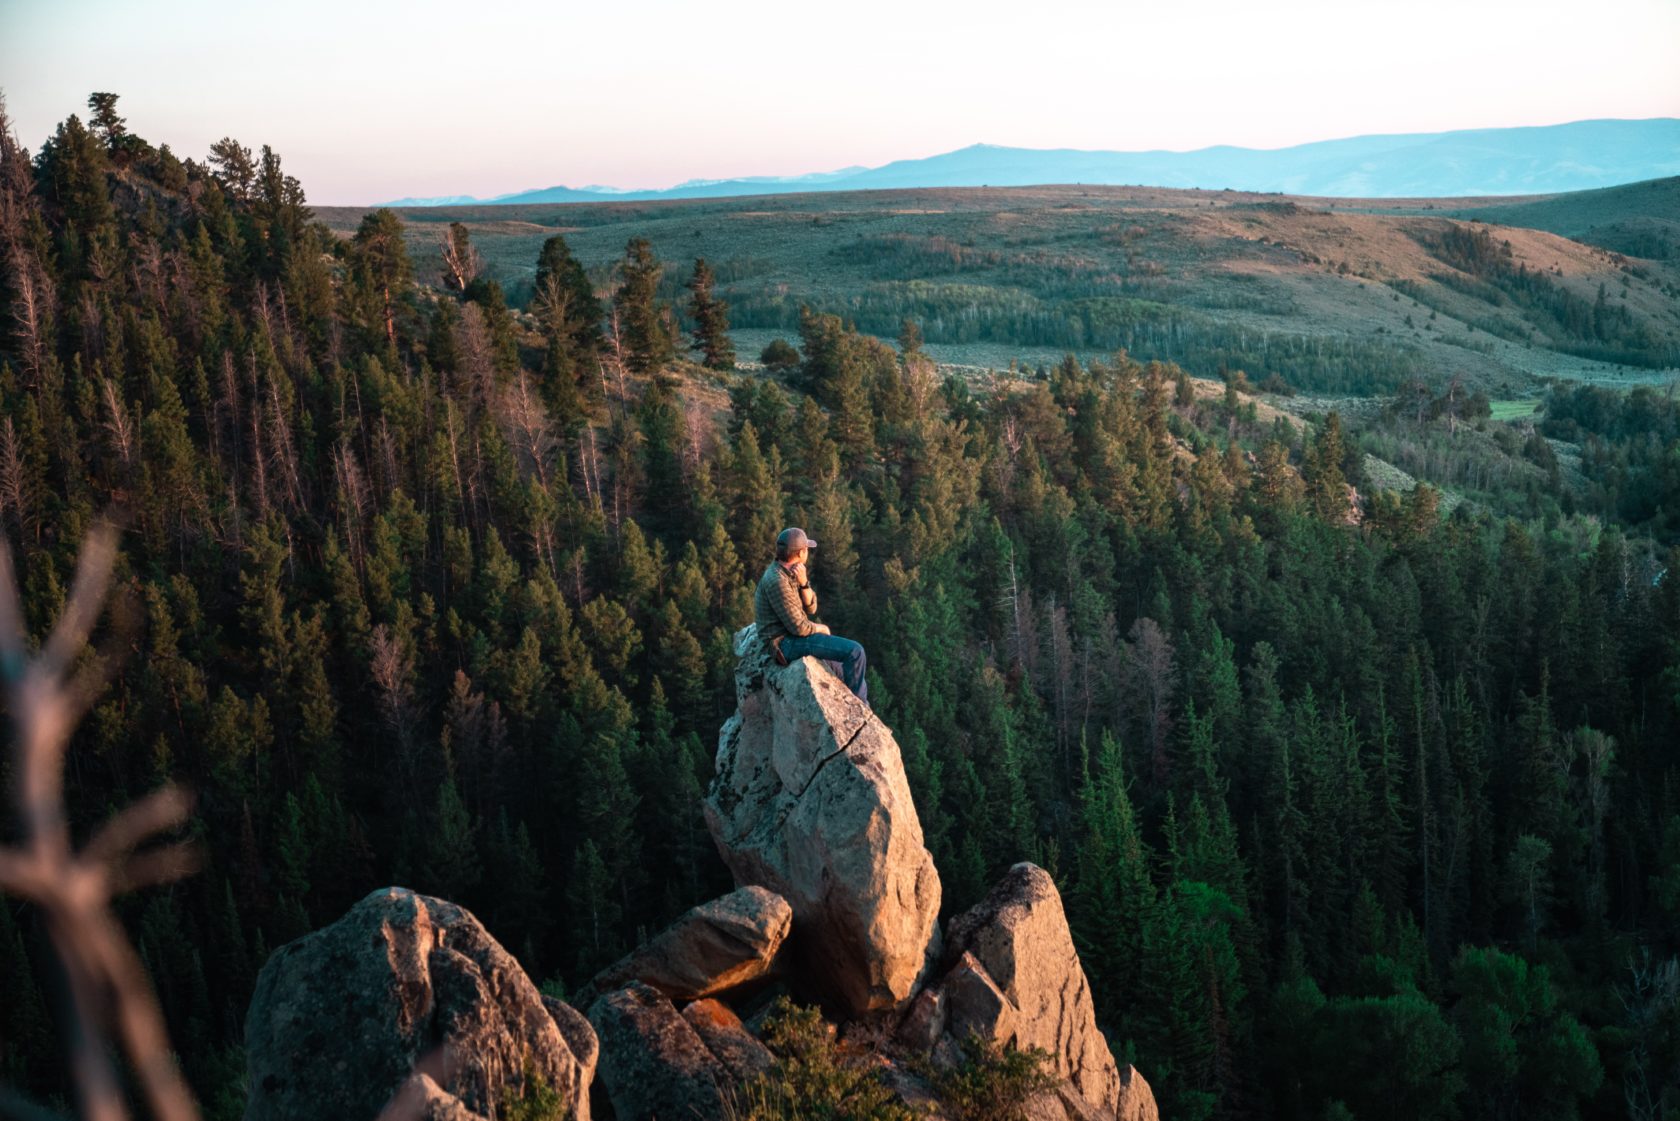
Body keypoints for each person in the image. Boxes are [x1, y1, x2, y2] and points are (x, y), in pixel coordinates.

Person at [754, 527, 868, 704]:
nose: (808, 552)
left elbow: (811, 609)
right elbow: (799, 627)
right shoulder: (777, 581)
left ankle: (860, 712)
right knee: (855, 652)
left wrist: (804, 583)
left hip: (791, 637)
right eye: (807, 549)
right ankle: (861, 709)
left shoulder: (791, 572)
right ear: (800, 553)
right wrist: (820, 628)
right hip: (784, 643)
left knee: (842, 669)